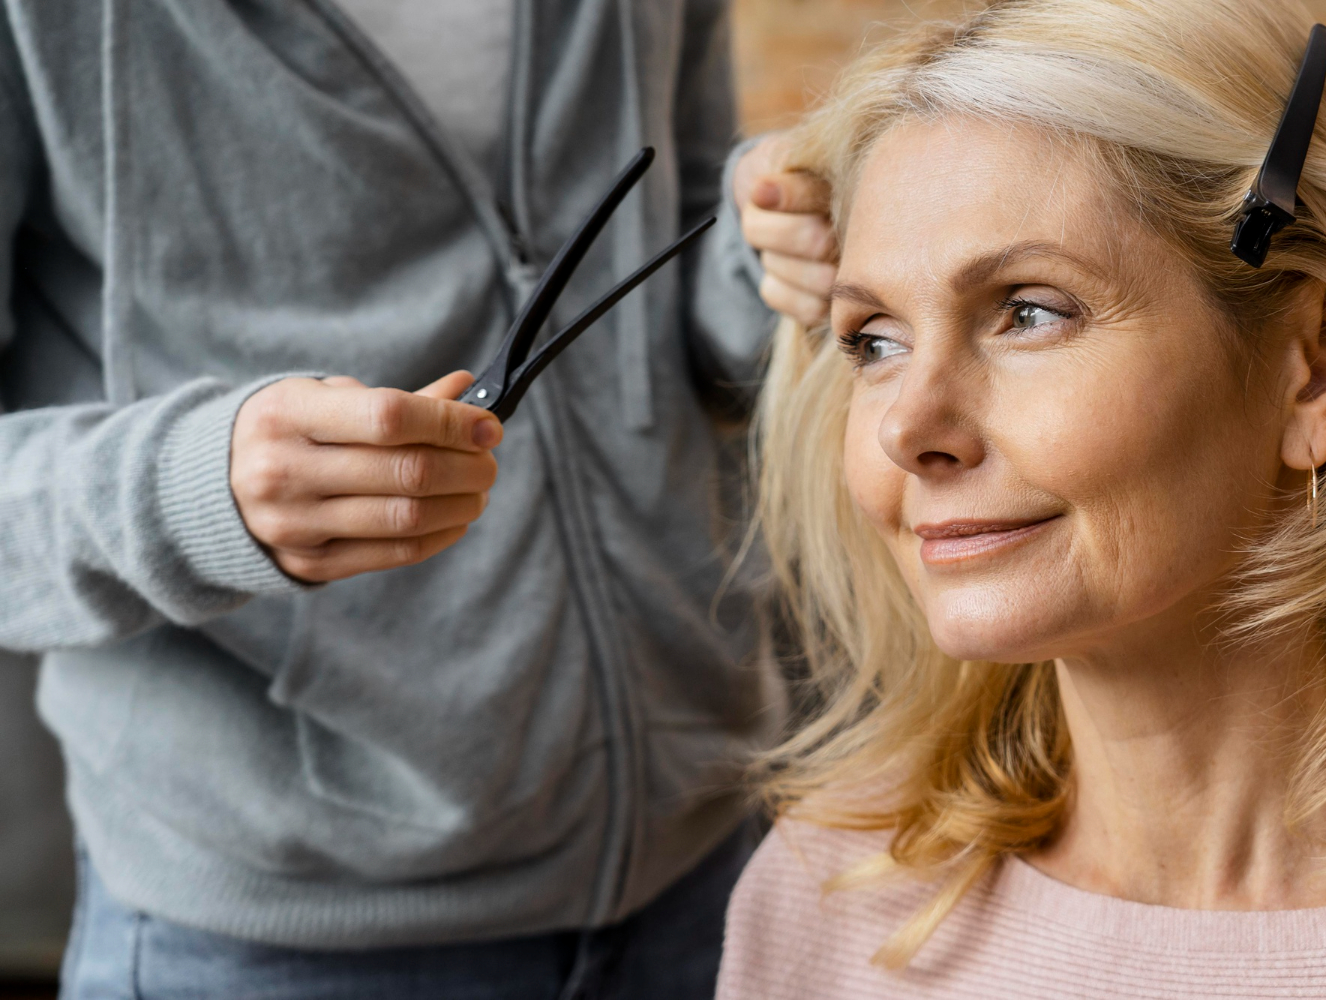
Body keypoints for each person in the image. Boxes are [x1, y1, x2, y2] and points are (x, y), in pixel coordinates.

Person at [0, 1, 833, 997]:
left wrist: (766, 263)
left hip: (709, 851)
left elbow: (680, 273)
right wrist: (188, 489)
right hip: (282, 934)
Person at [716, 1, 1326, 996]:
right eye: (874, 339)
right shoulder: (828, 896)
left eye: (1029, 312)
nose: (907, 429)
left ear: (1316, 366)